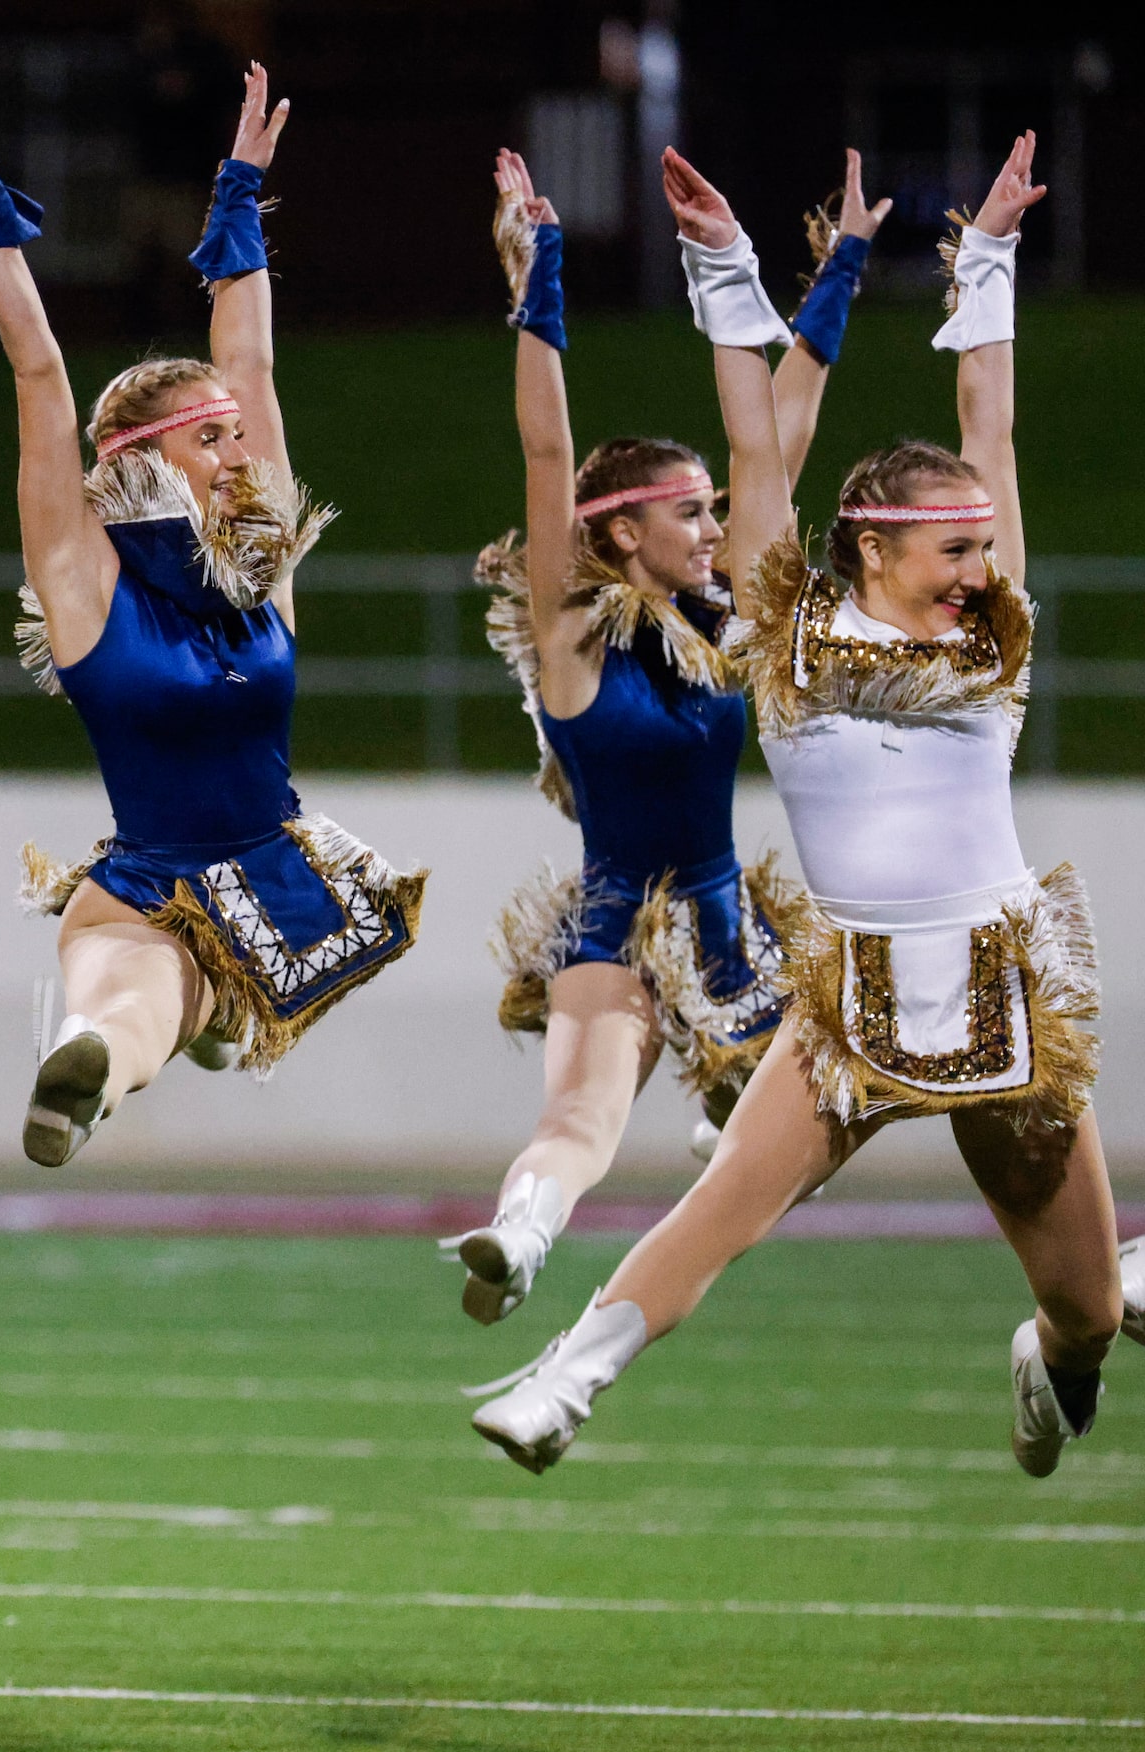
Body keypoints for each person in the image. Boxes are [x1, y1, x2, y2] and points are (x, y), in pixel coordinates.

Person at [470, 138, 1124, 1484]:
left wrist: (988, 258)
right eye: (954, 551)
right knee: (725, 1207)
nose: (979, 570)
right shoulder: (786, 637)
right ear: (872, 548)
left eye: (986, 549)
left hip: (1003, 980)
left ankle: (1054, 1359)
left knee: (1088, 1314)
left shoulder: (992, 638)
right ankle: (562, 1379)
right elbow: (757, 445)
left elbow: (988, 422)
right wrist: (722, 262)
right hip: (853, 992)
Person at [0, 68, 423, 1168]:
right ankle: (90, 1057)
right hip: (142, 887)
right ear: (137, 462)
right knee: (131, 1011)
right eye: (209, 441)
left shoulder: (260, 569)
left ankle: (193, 1024)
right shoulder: (86, 582)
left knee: (196, 1008)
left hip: (273, 878)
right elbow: (37, 373)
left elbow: (251, 362)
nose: (240, 454)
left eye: (237, 436)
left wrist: (236, 195)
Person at [447, 148, 885, 1324]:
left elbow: (778, 441)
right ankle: (518, 1235)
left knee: (848, 1093)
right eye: (686, 513)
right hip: (613, 916)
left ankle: (723, 1131)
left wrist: (840, 265)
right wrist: (534, 284)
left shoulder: (722, 618)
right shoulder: (570, 640)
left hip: (728, 923)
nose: (711, 526)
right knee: (578, 1115)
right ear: (623, 532)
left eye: (710, 509)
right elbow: (547, 456)